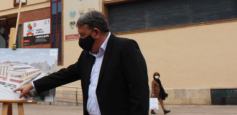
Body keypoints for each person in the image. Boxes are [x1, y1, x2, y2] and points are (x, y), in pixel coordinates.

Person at [15, 10, 149, 115]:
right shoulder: (87, 54)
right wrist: (33, 85)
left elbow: (139, 92)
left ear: (96, 32)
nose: (80, 39)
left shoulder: (125, 48)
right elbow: (67, 74)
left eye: (82, 35)